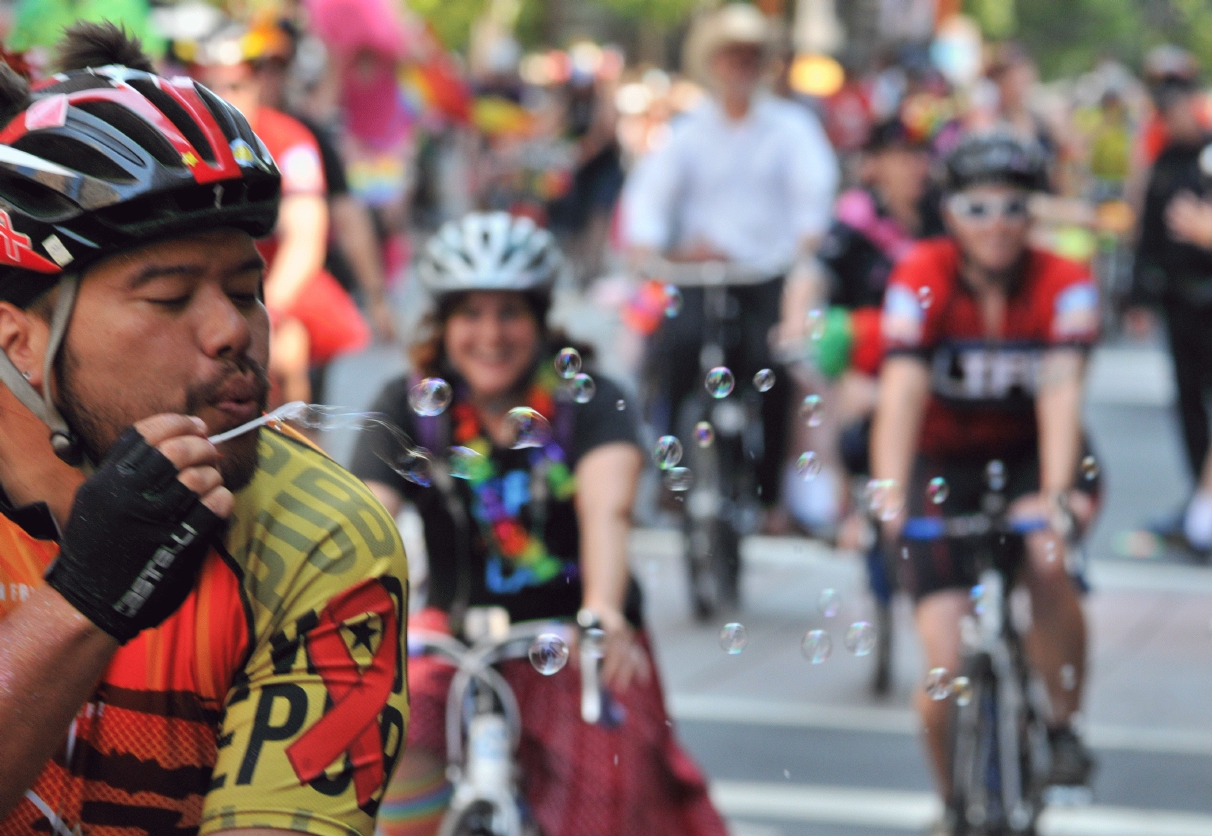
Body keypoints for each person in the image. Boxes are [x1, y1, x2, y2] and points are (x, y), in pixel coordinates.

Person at [0, 24, 408, 832]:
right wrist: (83, 601)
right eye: (170, 294)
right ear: (21, 338)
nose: (234, 333)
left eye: (245, 286)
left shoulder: (323, 534)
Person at [350, 212, 728, 836]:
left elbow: (607, 508)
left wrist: (604, 608)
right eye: (470, 314)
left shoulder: (591, 400)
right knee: (383, 735)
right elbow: (367, 519)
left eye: (511, 314)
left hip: (581, 642)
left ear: (542, 320)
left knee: (606, 805)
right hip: (451, 636)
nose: (490, 335)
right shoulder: (409, 406)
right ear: (442, 325)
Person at [869, 132, 1100, 827]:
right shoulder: (920, 273)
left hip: (1035, 452)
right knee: (943, 654)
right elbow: (902, 393)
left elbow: (1060, 395)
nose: (995, 223)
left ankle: (1062, 725)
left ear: (1033, 213)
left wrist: (1056, 496)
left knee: (1047, 554)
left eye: (1012, 206)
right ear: (949, 213)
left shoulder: (1065, 281)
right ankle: (950, 800)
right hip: (939, 463)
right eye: (976, 206)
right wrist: (886, 490)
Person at [622, 2, 839, 514]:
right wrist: (651, 246)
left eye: (750, 55)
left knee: (776, 368)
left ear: (764, 63)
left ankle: (769, 493)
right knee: (671, 352)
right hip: (698, 277)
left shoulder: (792, 128)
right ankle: (669, 478)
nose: (740, 66)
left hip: (767, 275)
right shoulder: (688, 131)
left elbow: (815, 196)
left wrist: (805, 245)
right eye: (731, 55)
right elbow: (649, 198)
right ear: (713, 62)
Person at [192, 21, 370, 404]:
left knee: (287, 362)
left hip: (280, 284)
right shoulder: (185, 143)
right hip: (207, 283)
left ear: (259, 84)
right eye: (213, 88)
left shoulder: (292, 141)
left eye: (236, 87)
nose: (224, 99)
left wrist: (265, 312)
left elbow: (305, 240)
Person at [1129, 62, 1212, 556]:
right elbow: (1148, 231)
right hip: (1180, 298)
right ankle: (1199, 502)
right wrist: (1140, 296)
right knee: (1187, 400)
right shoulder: (1162, 158)